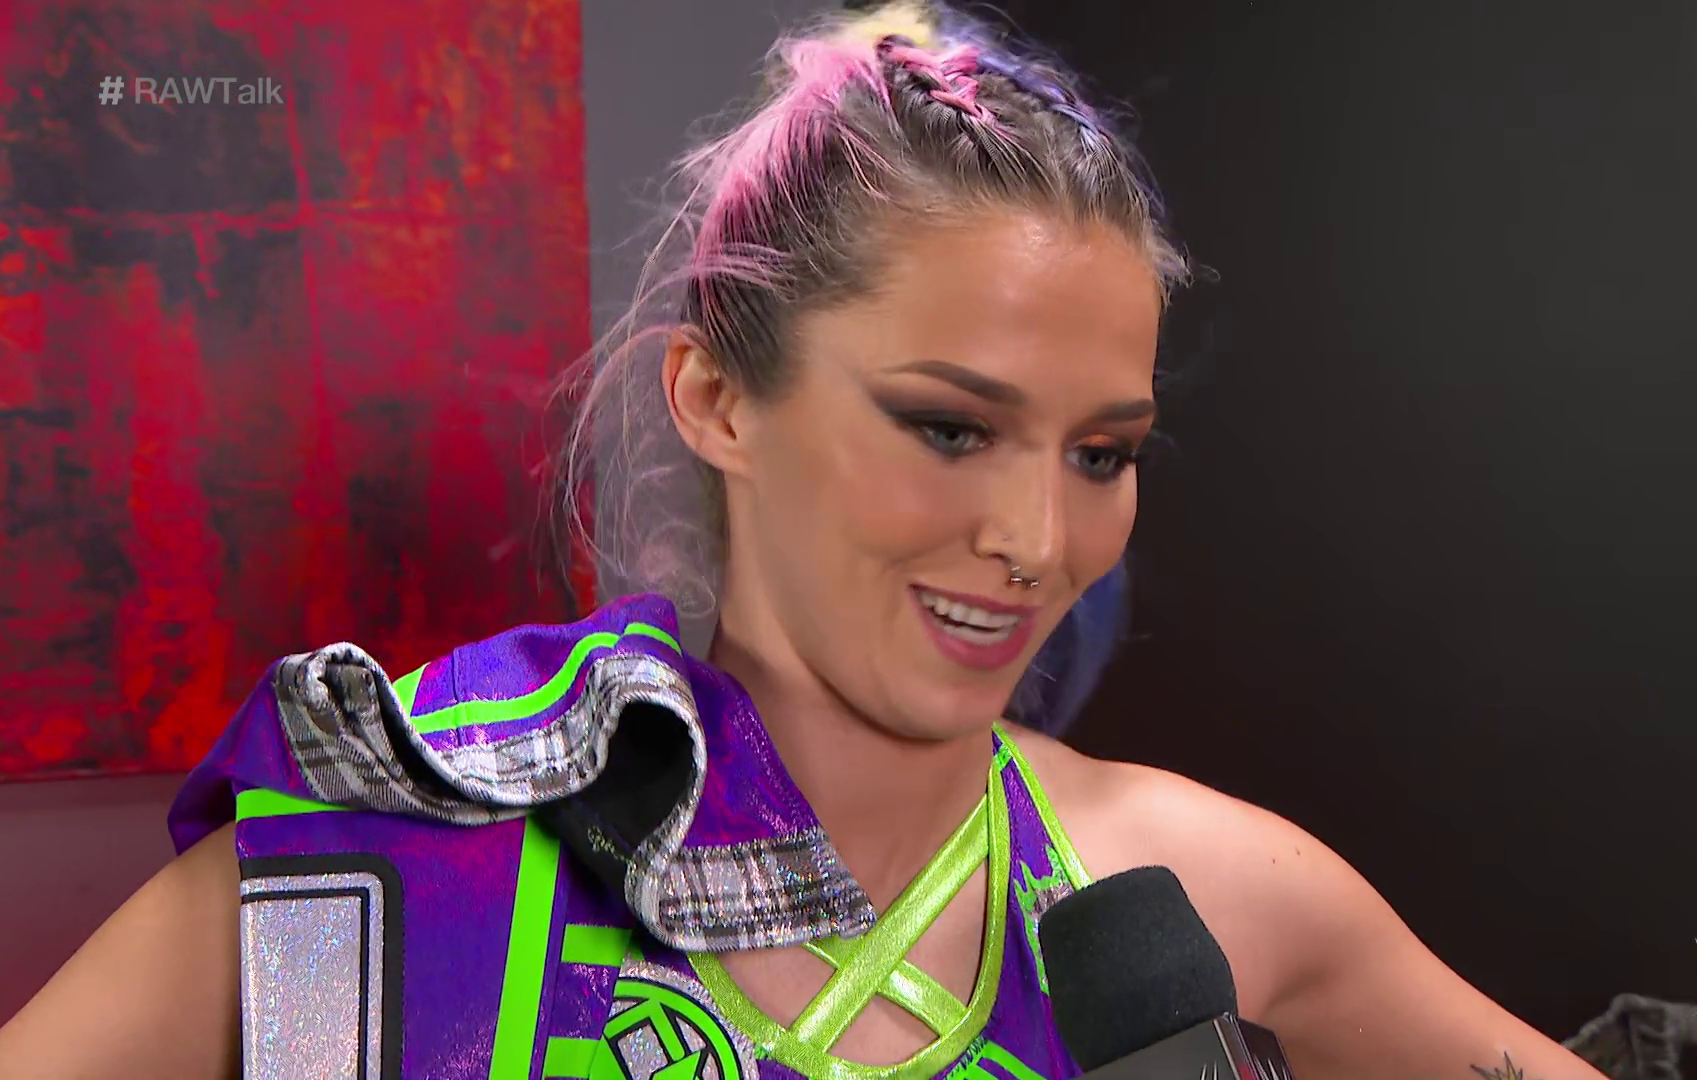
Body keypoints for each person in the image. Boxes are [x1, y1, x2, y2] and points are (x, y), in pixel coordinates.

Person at [0, 4, 1612, 1078]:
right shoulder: (394, 852)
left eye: (1103, 454)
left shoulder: (1194, 894)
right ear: (716, 398)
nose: (1036, 540)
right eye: (949, 427)